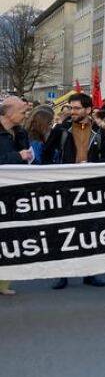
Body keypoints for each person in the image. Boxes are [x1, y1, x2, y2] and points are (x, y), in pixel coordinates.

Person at [42, 93, 105, 289]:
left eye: (77, 108)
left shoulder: (100, 132)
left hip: (91, 188)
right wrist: (53, 178)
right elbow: (46, 154)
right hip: (65, 187)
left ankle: (89, 273)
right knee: (65, 231)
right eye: (71, 108)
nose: (73, 112)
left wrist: (93, 164)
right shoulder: (61, 130)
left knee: (90, 231)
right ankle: (62, 274)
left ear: (88, 110)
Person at [0, 96, 31, 296]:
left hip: (13, 194)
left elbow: (26, 155)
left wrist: (28, 157)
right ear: (9, 113)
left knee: (10, 237)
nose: (25, 115)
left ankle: (4, 283)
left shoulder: (20, 132)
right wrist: (17, 157)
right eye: (22, 111)